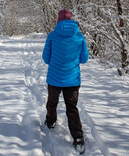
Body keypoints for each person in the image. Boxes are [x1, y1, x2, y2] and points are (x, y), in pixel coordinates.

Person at [42, 9, 89, 153]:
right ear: (71, 19)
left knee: (52, 102)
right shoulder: (79, 37)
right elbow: (84, 59)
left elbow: (45, 58)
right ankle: (78, 138)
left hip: (54, 78)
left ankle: (50, 122)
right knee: (72, 108)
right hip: (72, 80)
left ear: (58, 20)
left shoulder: (52, 35)